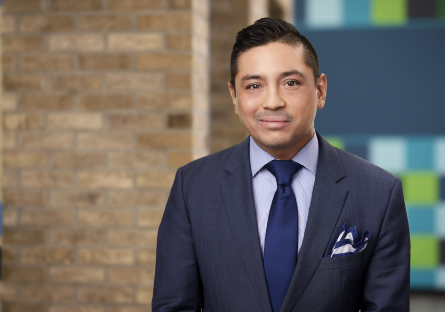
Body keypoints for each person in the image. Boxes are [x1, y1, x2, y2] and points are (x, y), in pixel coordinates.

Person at [152, 17, 410, 312]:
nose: (272, 102)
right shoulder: (192, 187)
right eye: (253, 85)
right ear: (234, 98)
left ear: (320, 90)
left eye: (290, 83)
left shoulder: (380, 193)